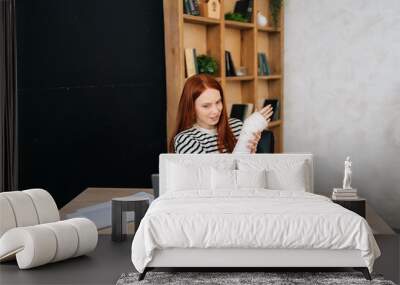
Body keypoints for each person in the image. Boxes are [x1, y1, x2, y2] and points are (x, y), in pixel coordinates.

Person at [168, 74, 273, 154]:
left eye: (218, 102)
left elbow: (247, 170)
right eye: (206, 106)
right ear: (191, 108)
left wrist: (251, 153)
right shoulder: (186, 140)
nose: (216, 110)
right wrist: (242, 152)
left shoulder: (236, 126)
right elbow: (210, 180)